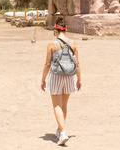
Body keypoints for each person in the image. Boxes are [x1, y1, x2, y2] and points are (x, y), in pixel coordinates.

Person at [41, 17, 82, 145]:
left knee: (56, 106)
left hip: (56, 76)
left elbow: (47, 64)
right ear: (65, 29)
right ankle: (60, 130)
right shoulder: (73, 43)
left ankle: (63, 132)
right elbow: (77, 63)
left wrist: (43, 80)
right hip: (69, 76)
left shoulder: (52, 44)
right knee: (64, 105)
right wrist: (79, 79)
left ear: (55, 30)